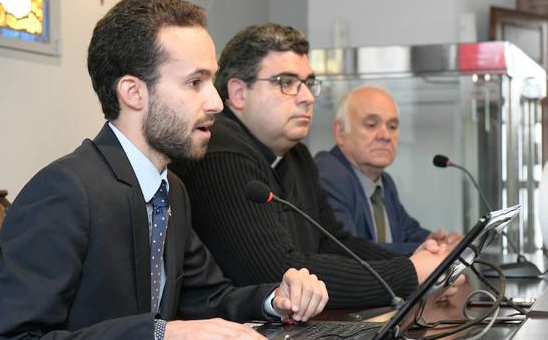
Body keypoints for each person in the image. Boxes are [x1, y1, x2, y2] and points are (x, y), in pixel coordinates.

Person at [0, 0, 328, 340]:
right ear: (133, 92)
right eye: (195, 82)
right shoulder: (64, 191)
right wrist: (160, 334)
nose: (216, 102)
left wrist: (275, 299)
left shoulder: (170, 188)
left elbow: (207, 298)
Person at [170, 23, 452, 309]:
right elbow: (276, 271)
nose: (306, 97)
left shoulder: (297, 156)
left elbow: (332, 242)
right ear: (239, 93)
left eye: (308, 83)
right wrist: (412, 273)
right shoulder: (220, 151)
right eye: (287, 82)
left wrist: (416, 259)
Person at [314, 86, 462, 254]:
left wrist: (438, 241)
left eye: (392, 126)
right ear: (340, 132)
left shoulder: (384, 181)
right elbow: (349, 250)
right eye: (371, 125)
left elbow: (406, 231)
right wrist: (427, 250)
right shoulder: (327, 174)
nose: (385, 135)